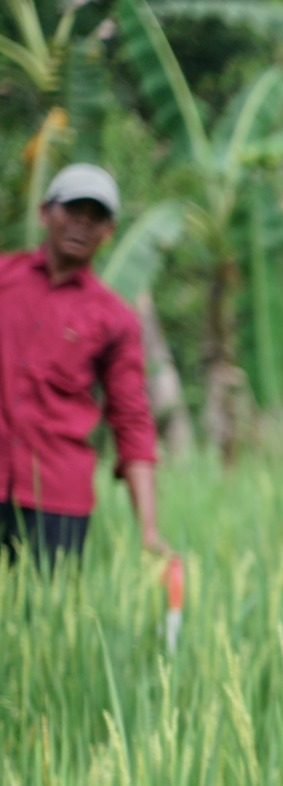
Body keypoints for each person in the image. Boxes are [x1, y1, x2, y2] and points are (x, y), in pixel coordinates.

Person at [0, 165, 164, 571]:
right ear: (45, 212)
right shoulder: (4, 278)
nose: (82, 225)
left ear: (109, 231)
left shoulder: (115, 318)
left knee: (44, 608)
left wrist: (149, 529)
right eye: (73, 210)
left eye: (96, 218)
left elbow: (132, 420)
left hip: (57, 504)